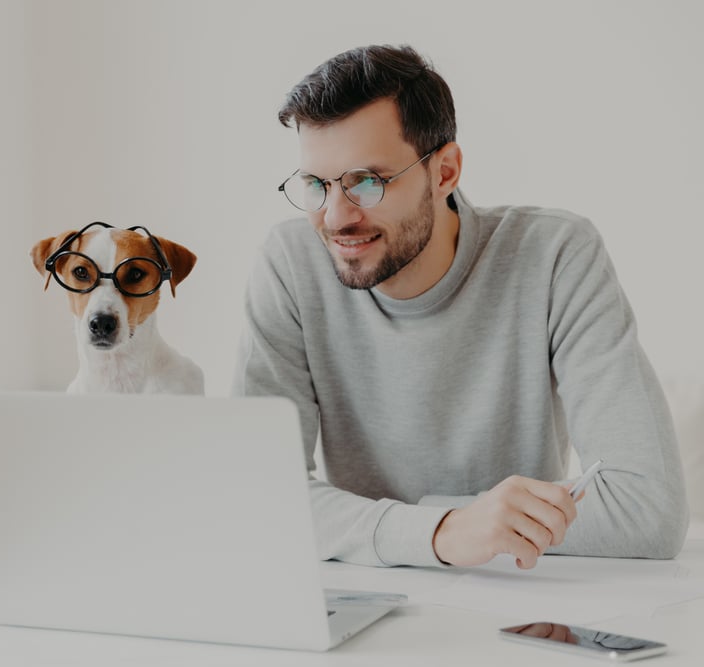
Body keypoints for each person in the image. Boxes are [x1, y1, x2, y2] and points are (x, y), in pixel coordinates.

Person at [232, 44, 688, 569]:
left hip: (518, 600)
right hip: (366, 600)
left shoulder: (555, 255)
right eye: (317, 185)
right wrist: (444, 532)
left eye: (366, 182)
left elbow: (647, 509)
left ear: (445, 172)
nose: (336, 218)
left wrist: (419, 530)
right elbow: (258, 498)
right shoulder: (290, 263)